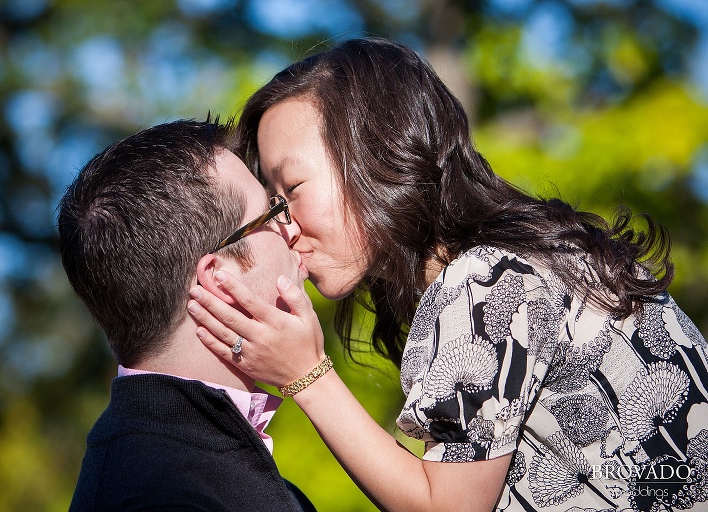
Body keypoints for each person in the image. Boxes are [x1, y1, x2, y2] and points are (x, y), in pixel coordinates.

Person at [186, 38, 708, 511]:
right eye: (272, 201)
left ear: (380, 152)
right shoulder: (528, 258)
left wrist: (307, 374)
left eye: (292, 189)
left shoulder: (489, 281)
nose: (283, 226)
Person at [57, 119, 315, 512]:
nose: (291, 229)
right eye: (271, 212)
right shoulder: (164, 496)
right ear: (220, 279)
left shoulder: (166, 459)